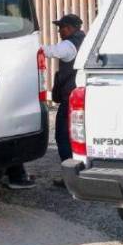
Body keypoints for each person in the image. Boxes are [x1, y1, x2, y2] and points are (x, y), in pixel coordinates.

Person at [43, 14, 86, 186]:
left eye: (61, 27)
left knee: (63, 137)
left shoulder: (69, 44)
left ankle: (72, 177)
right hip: (81, 96)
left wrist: (30, 48)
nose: (59, 31)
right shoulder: (85, 40)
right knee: (79, 137)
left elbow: (51, 51)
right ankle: (82, 172)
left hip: (70, 99)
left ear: (70, 28)